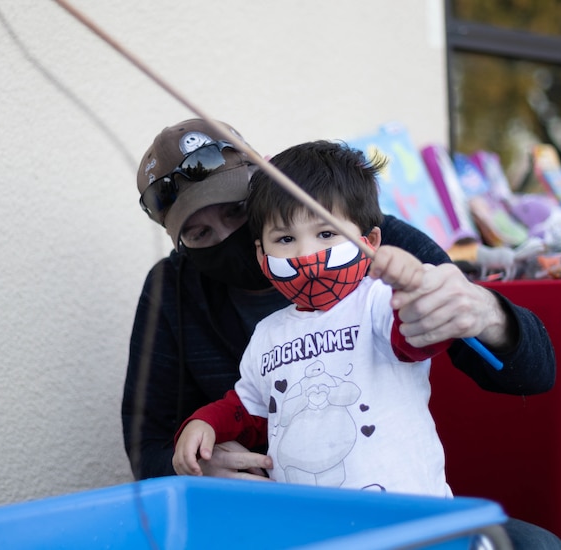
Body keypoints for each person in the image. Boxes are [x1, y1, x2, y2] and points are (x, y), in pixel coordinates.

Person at [123, 119, 561, 548]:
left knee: (534, 545)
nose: (226, 237)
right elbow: (148, 441)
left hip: (394, 501)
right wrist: (197, 469)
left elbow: (533, 372)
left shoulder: (363, 236)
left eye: (237, 212)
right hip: (275, 517)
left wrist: (486, 313)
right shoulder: (173, 289)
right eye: (200, 234)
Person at [173, 141, 454, 497]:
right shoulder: (267, 334)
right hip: (307, 523)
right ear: (261, 254)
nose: (306, 255)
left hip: (406, 515)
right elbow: (249, 411)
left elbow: (421, 336)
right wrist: (205, 423)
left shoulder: (380, 302)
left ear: (370, 241)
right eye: (285, 239)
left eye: (326, 234)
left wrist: (413, 287)